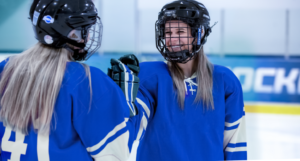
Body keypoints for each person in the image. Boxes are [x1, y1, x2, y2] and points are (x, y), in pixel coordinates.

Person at [0, 0, 145, 160]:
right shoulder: (88, 82)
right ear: (69, 32)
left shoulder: (5, 69)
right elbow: (116, 154)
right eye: (84, 29)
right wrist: (127, 107)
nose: (88, 35)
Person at [113, 0, 247, 160]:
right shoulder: (150, 77)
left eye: (180, 32)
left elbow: (235, 145)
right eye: (168, 33)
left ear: (200, 33)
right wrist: (122, 106)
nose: (172, 39)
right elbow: (129, 132)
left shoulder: (225, 81)